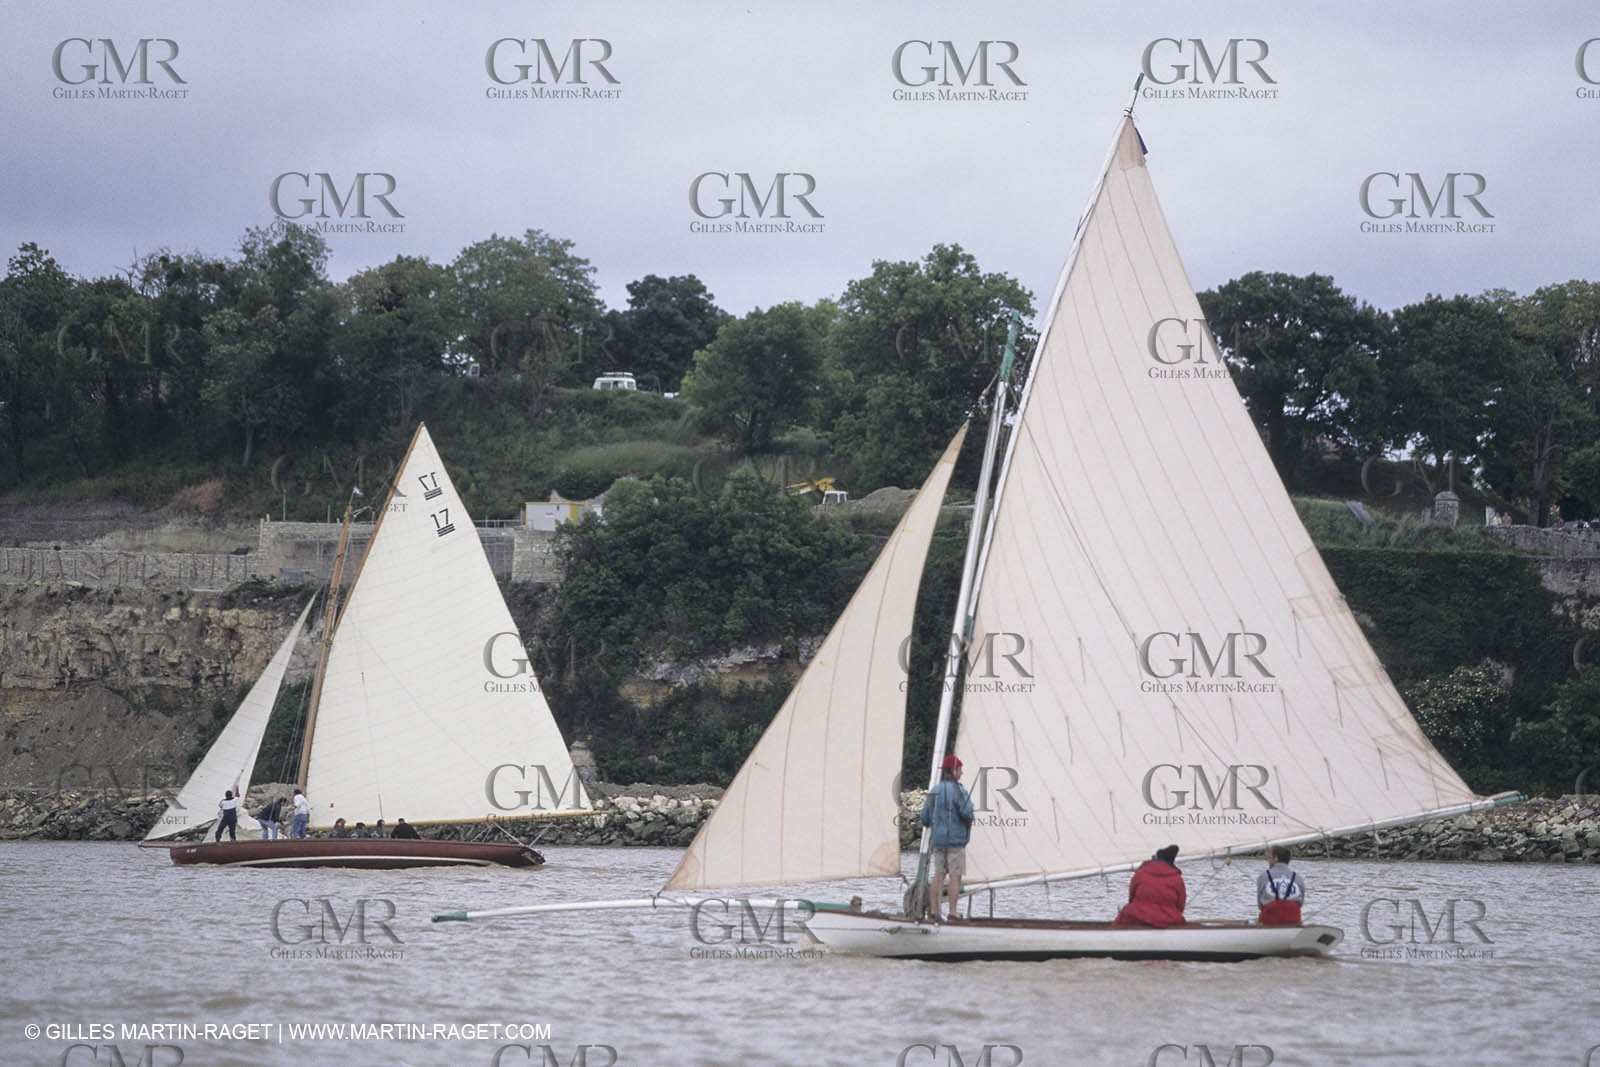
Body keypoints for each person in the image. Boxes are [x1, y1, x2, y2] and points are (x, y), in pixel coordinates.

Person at [919, 754, 975, 922]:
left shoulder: (934, 790)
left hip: (938, 841)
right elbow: (967, 813)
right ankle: (952, 911)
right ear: (953, 770)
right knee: (955, 876)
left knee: (938, 875)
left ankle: (934, 911)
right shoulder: (959, 791)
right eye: (960, 770)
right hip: (955, 841)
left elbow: (925, 817)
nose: (962, 773)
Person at [1113, 845, 1187, 927]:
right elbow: (1180, 906)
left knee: (1124, 915)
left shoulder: (1141, 873)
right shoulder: (1177, 878)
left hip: (1137, 915)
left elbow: (1131, 897)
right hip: (1168, 919)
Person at [1256, 845, 1305, 925]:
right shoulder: (1298, 878)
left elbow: (1260, 905)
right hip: (1293, 919)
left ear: (1276, 858)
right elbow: (1300, 903)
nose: (1268, 859)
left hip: (1269, 920)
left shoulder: (1263, 876)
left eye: (1270, 857)